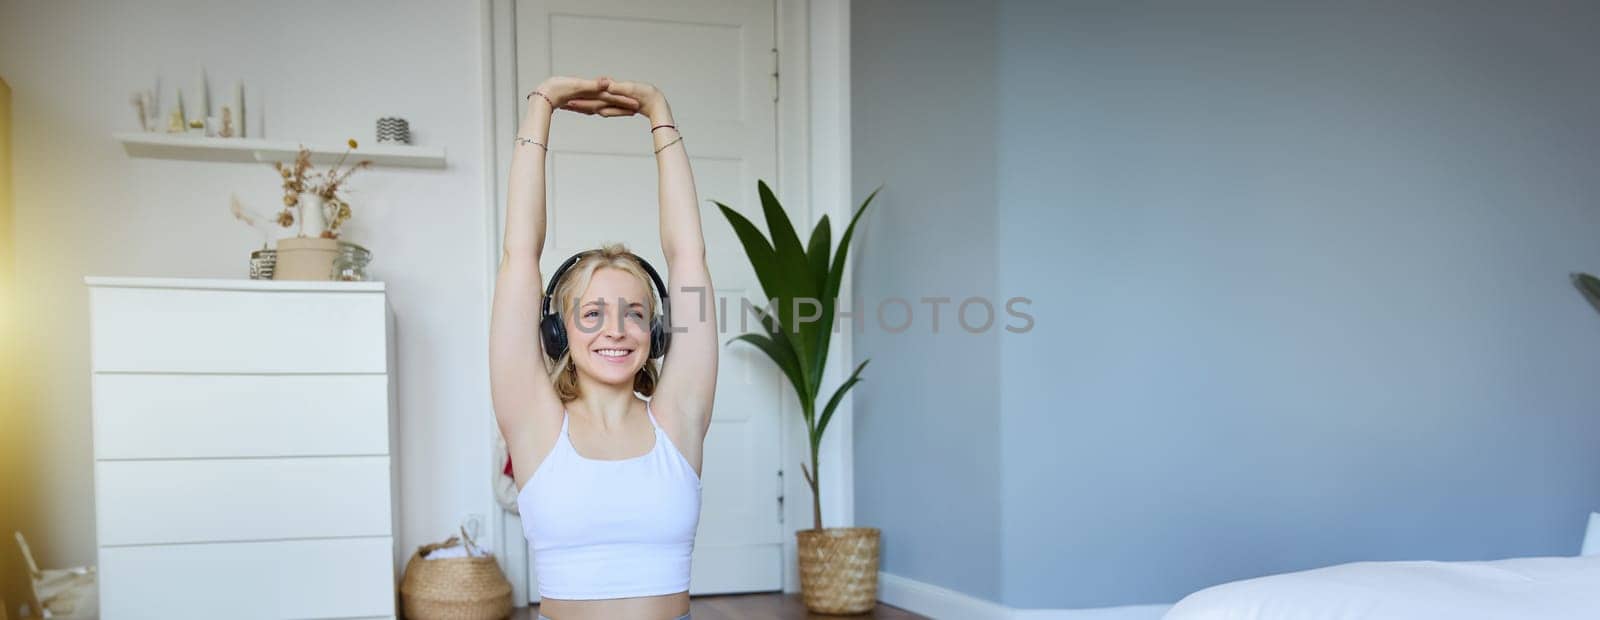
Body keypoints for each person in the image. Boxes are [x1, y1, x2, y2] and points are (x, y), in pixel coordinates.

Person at [490, 76, 718, 620]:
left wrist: (658, 111)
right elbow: (519, 253)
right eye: (591, 314)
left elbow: (689, 256)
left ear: (657, 334)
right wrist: (542, 106)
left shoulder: (677, 419)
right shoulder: (534, 422)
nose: (615, 330)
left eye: (635, 314)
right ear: (557, 331)